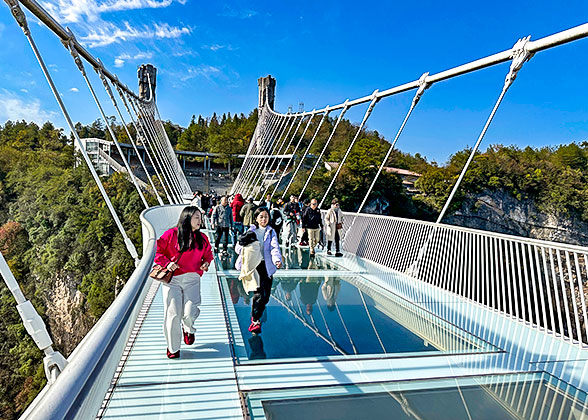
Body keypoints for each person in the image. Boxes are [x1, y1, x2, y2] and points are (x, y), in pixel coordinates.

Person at [154, 206, 213, 358]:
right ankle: (173, 348)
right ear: (187, 218)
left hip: (192, 279)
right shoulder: (171, 234)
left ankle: (188, 328)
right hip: (172, 279)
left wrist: (206, 263)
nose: (200, 221)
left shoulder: (202, 238)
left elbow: (208, 255)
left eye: (200, 217)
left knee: (190, 312)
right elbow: (157, 251)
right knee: (173, 314)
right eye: (196, 217)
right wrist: (167, 263)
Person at [235, 207, 282, 334]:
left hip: (266, 266)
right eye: (261, 216)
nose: (263, 219)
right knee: (259, 294)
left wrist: (277, 259)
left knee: (266, 296)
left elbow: (274, 248)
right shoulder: (251, 231)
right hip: (254, 266)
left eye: (266, 216)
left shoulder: (271, 232)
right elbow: (238, 248)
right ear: (256, 218)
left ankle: (258, 311)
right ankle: (255, 321)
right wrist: (242, 243)